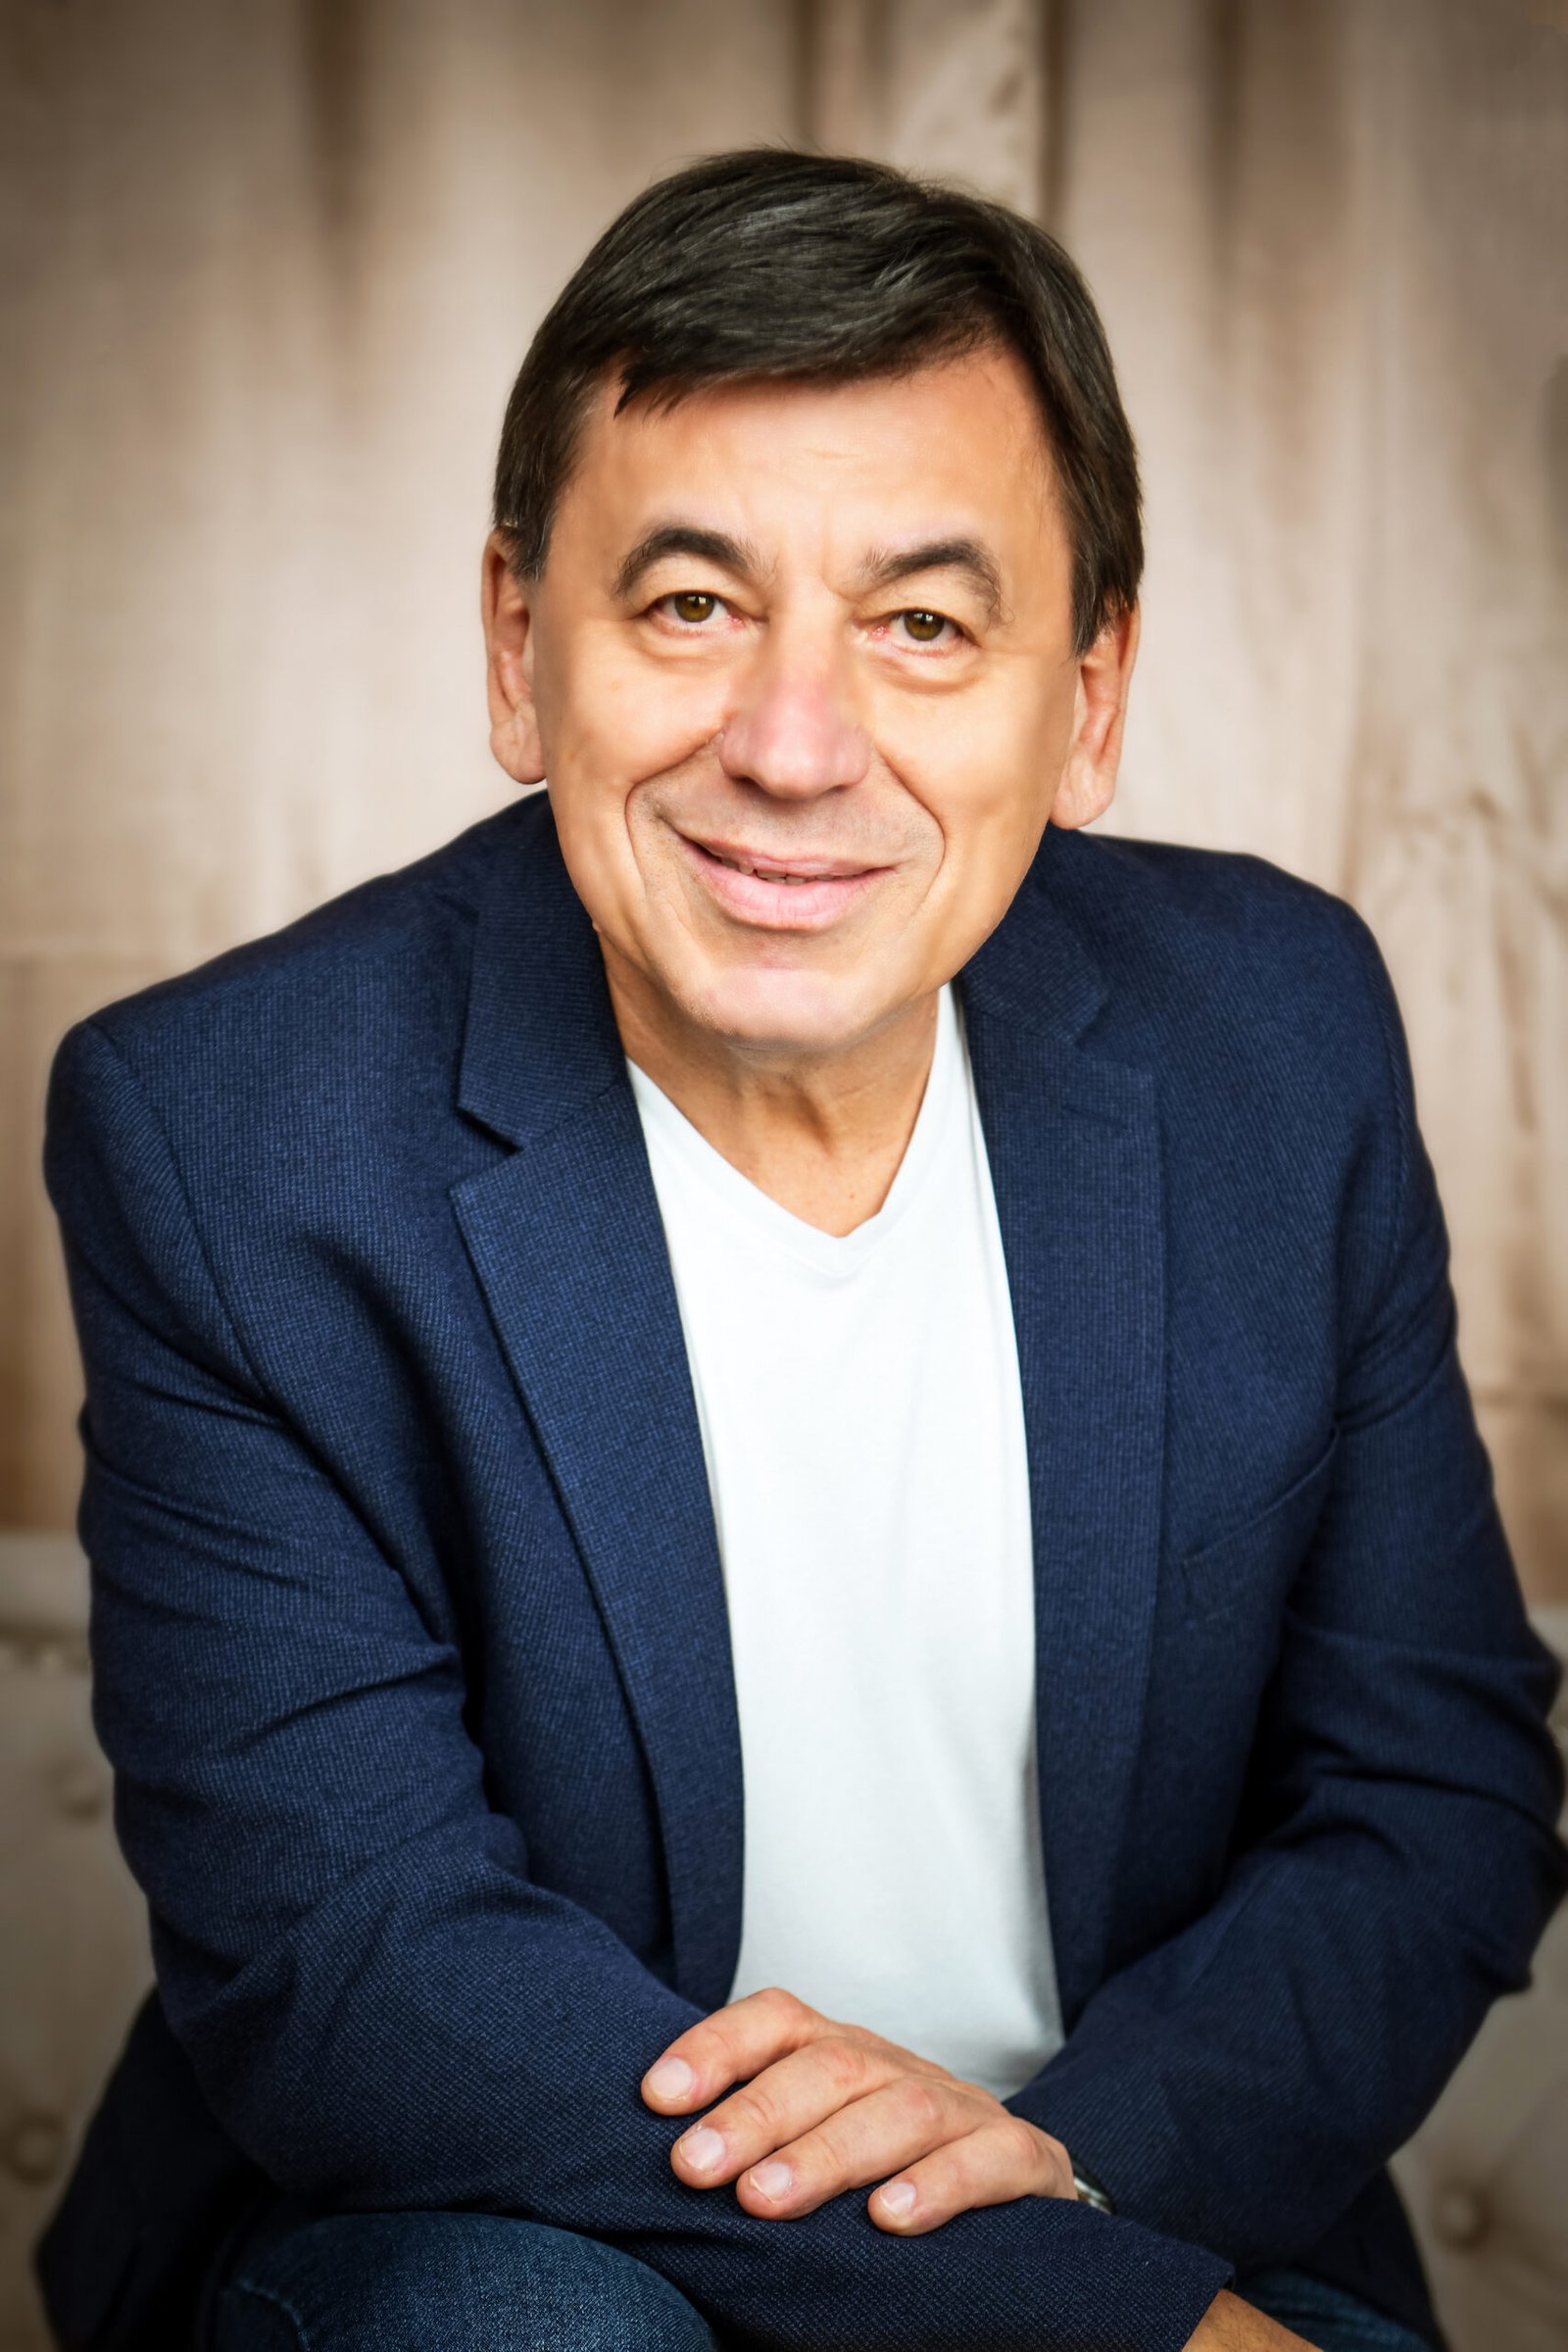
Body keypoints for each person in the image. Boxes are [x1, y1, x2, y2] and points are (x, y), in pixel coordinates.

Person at [36, 149, 1564, 2352]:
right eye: (689, 605)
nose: (789, 746)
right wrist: (1092, 2321)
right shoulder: (231, 1133)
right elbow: (360, 1965)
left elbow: (1427, 1786)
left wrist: (1079, 2202)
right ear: (516, 648)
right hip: (508, 2228)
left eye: (922, 624)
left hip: (1137, 2171)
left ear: (1091, 694)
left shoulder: (1274, 1032)